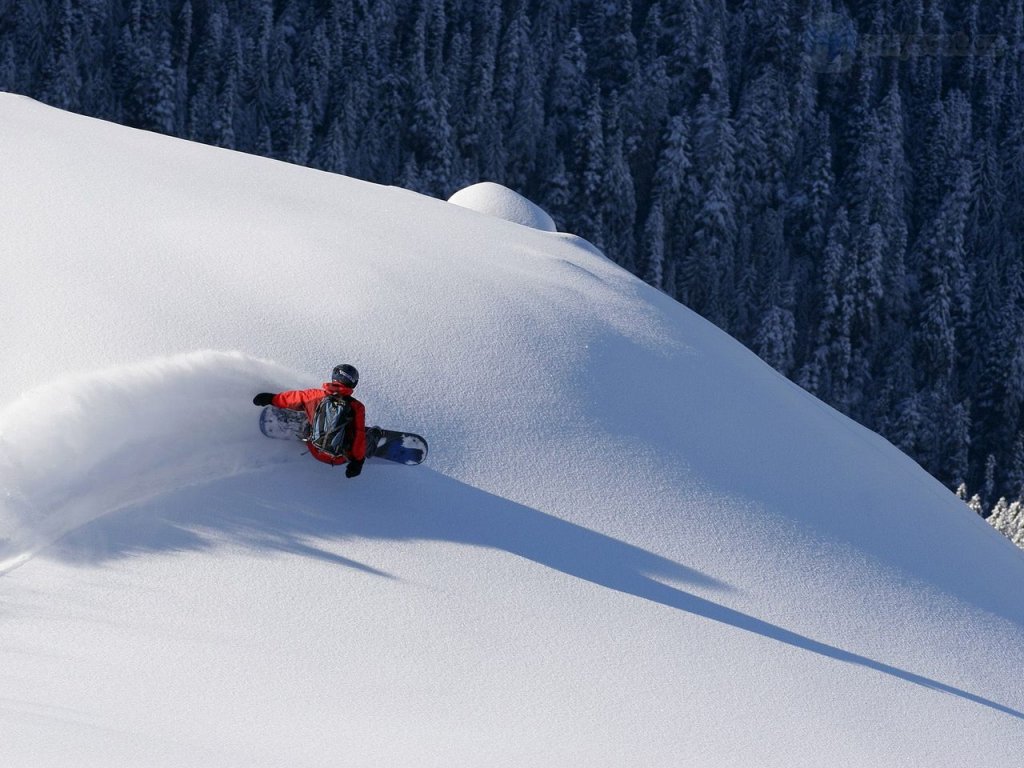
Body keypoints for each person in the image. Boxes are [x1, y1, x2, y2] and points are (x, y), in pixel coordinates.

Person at [253, 364, 367, 477]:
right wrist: (358, 462)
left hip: (315, 451)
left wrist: (271, 399)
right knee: (361, 433)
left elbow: (292, 398)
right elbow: (360, 436)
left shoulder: (315, 395)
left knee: (309, 413)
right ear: (353, 383)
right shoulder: (357, 407)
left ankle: (306, 429)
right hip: (340, 458)